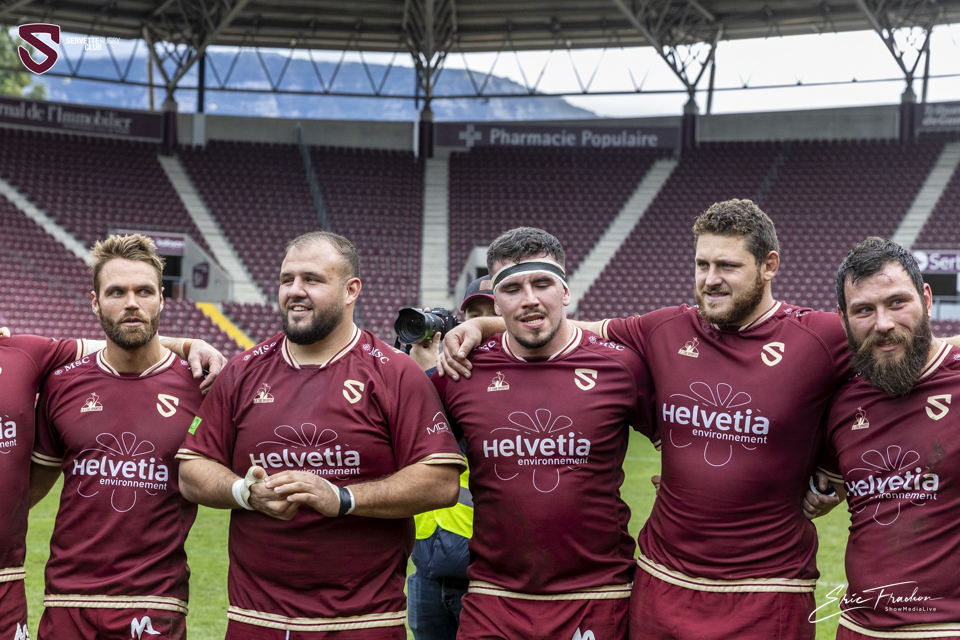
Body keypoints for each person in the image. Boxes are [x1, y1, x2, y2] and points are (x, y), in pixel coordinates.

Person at [438, 200, 858, 639]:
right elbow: (566, 326)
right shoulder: (665, 328)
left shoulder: (822, 336)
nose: (711, 279)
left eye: (727, 266)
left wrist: (831, 471)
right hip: (661, 584)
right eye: (702, 264)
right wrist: (482, 327)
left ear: (769, 265)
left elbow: (877, 385)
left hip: (769, 588)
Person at [176, 230, 465, 640]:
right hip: (256, 621)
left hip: (363, 624)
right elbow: (192, 469)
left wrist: (343, 498)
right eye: (286, 279)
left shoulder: (396, 373)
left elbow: (441, 482)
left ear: (351, 290)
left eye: (312, 279)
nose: (295, 290)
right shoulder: (242, 371)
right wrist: (244, 492)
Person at [433, 228, 657, 640]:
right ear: (496, 302)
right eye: (512, 288)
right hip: (493, 600)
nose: (529, 299)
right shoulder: (461, 370)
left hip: (597, 596)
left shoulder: (622, 367)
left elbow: (687, 441)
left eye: (542, 284)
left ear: (566, 292)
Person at [0, 284, 225, 639]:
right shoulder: (52, 375)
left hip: (12, 581)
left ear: (161, 298)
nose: (131, 303)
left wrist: (190, 344)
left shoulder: (22, 352)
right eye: (117, 292)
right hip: (65, 598)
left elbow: (122, 340)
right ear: (96, 301)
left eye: (144, 291)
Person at [804, 237, 960, 639]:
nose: (883, 323)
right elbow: (822, 488)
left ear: (927, 299)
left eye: (897, 302)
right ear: (842, 319)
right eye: (864, 310)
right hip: (859, 629)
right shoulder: (841, 402)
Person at [407, 276, 496, 640]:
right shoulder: (444, 378)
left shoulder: (510, 382)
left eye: (492, 314)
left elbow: (454, 434)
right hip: (426, 569)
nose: (482, 323)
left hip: (484, 576)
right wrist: (410, 368)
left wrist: (429, 375)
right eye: (475, 314)